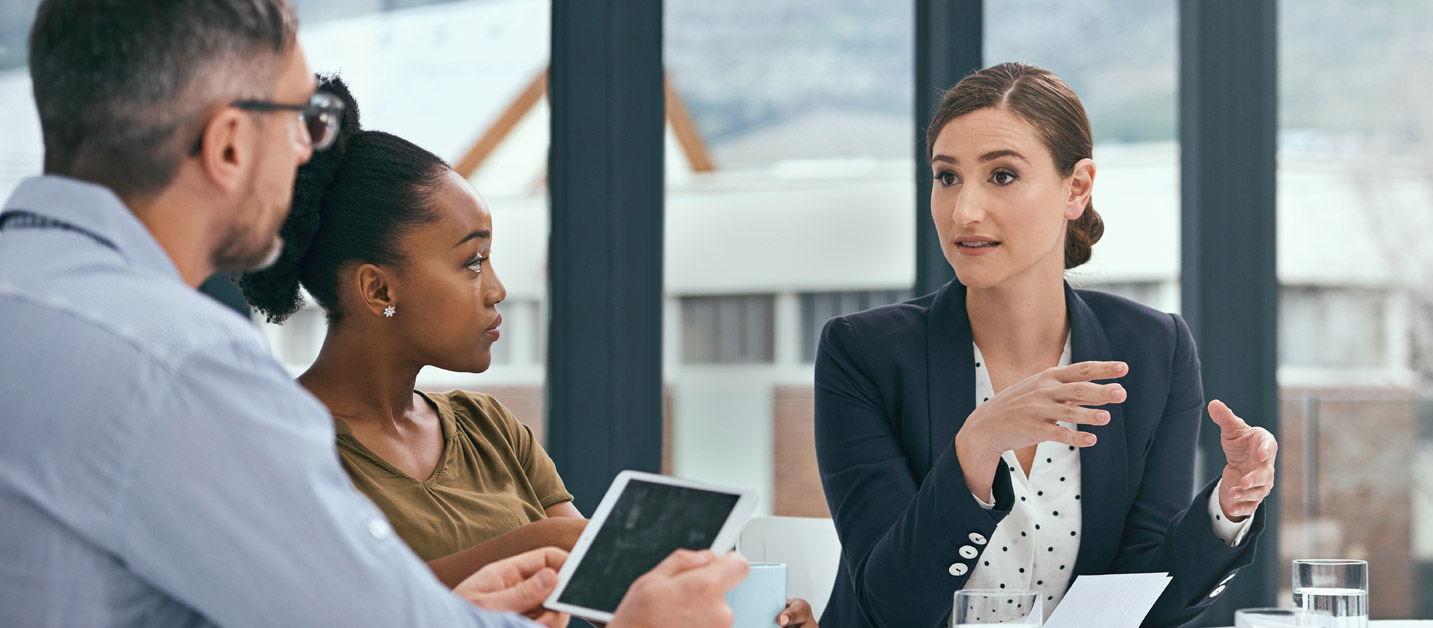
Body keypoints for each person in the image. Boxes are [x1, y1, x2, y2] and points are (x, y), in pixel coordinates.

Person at [0, 1, 745, 627]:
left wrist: (450, 608)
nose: (310, 152)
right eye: (305, 120)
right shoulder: (182, 366)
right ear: (228, 143)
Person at [231, 74, 820, 628]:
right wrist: (532, 544)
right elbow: (338, 609)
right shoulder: (283, 447)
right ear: (379, 289)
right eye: (471, 262)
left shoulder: (490, 428)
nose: (497, 289)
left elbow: (598, 593)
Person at [813, 62, 1279, 628]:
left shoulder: (1156, 350)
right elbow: (891, 606)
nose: (964, 211)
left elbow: (1145, 602)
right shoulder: (863, 354)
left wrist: (1224, 511)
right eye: (947, 177)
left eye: (1002, 175)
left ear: (1076, 188)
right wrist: (976, 449)